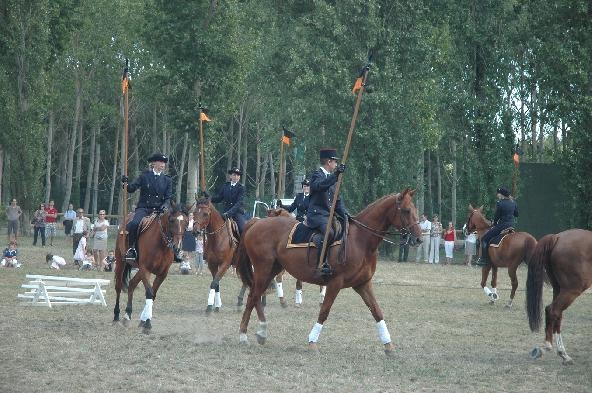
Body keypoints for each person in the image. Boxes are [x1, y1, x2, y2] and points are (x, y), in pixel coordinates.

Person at [122, 152, 179, 261]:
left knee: (174, 223)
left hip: (159, 210)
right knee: (133, 223)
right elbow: (131, 188)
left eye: (164, 162)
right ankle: (132, 249)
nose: (163, 164)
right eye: (160, 162)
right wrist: (125, 183)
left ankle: (174, 250)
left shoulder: (167, 180)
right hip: (144, 208)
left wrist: (165, 206)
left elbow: (168, 198)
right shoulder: (144, 176)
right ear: (154, 163)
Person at [305, 148, 348, 275]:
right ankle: (320, 264)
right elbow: (320, 185)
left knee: (346, 228)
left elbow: (337, 201)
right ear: (329, 162)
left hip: (328, 215)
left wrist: (346, 215)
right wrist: (335, 176)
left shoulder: (332, 178)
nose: (336, 164)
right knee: (329, 233)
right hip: (316, 215)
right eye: (335, 162)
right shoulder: (316, 175)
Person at [475, 186, 519, 266]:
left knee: (484, 239)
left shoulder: (500, 203)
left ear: (501, 194)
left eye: (498, 193)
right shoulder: (514, 202)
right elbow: (516, 214)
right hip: (511, 226)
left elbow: (497, 217)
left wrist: (494, 224)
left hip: (502, 226)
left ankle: (483, 259)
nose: (497, 195)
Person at [210, 167, 247, 234]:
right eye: (234, 175)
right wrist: (209, 197)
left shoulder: (241, 188)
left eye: (238, 175)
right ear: (230, 176)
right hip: (225, 213)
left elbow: (239, 203)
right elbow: (219, 198)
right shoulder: (225, 186)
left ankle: (243, 244)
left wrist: (229, 213)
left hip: (236, 213)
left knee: (243, 229)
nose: (236, 177)